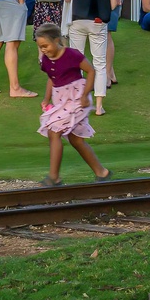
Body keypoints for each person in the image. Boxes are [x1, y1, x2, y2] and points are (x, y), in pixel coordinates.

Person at [35, 23, 110, 185]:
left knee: (53, 131)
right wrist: (46, 99)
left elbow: (91, 71)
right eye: (40, 47)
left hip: (76, 98)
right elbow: (51, 79)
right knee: (75, 139)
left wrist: (85, 94)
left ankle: (54, 177)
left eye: (45, 45)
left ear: (57, 40)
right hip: (61, 100)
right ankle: (101, 172)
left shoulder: (72, 55)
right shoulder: (46, 61)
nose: (43, 50)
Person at [62, 0, 115, 114]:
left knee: (76, 60)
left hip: (78, 20)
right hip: (98, 22)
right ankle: (99, 106)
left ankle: (77, 101)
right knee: (99, 63)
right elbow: (113, 4)